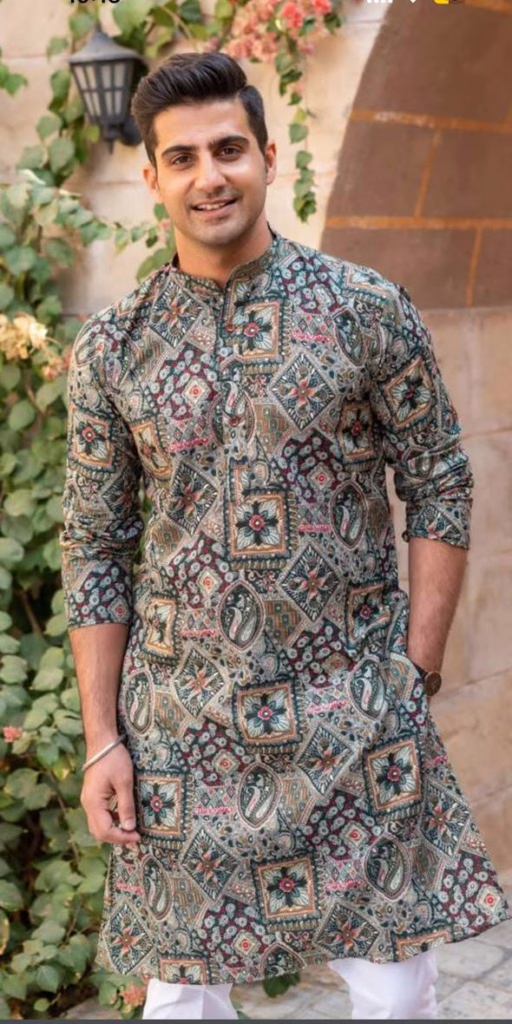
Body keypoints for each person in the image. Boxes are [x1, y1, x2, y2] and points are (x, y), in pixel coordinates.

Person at [59, 52, 510, 1020]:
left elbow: (437, 483)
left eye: (227, 148)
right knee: (180, 1005)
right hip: (180, 734)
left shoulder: (364, 310)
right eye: (179, 158)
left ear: (267, 156)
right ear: (150, 180)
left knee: (393, 997)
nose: (207, 174)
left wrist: (413, 670)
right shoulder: (112, 350)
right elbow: (94, 548)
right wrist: (105, 742)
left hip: (352, 715)